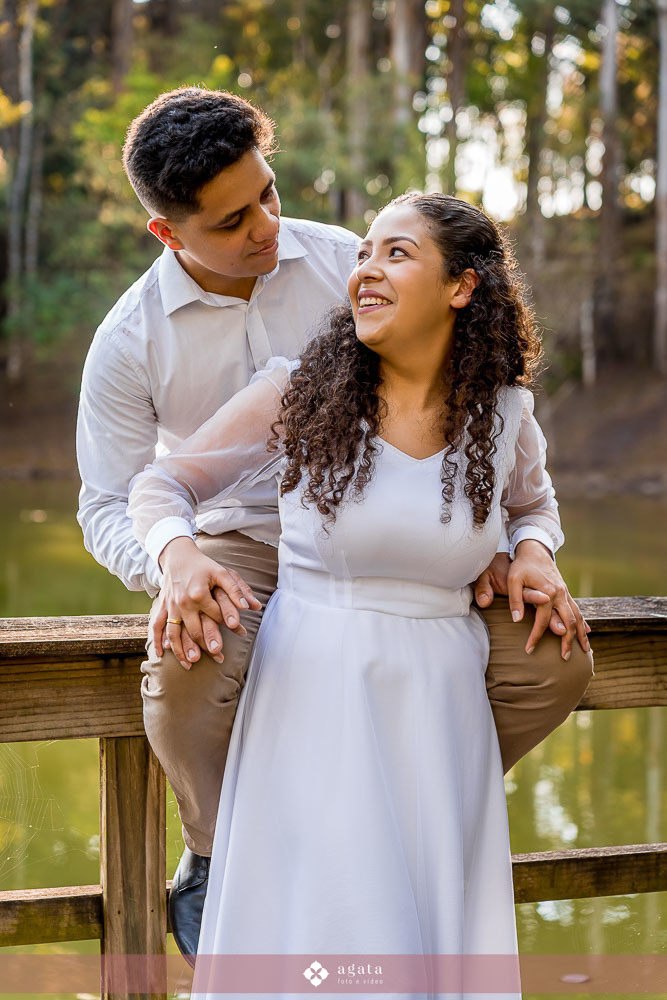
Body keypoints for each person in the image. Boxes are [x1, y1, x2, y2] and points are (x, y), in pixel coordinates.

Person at [77, 86, 593, 964]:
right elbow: (115, 497)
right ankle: (219, 853)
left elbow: (490, 456)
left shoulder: (344, 266)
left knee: (554, 658)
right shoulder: (130, 342)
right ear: (169, 233)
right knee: (187, 667)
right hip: (234, 541)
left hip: (406, 545)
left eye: (269, 192)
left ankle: (399, 798)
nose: (268, 225)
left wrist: (510, 549)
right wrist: (175, 563)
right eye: (235, 219)